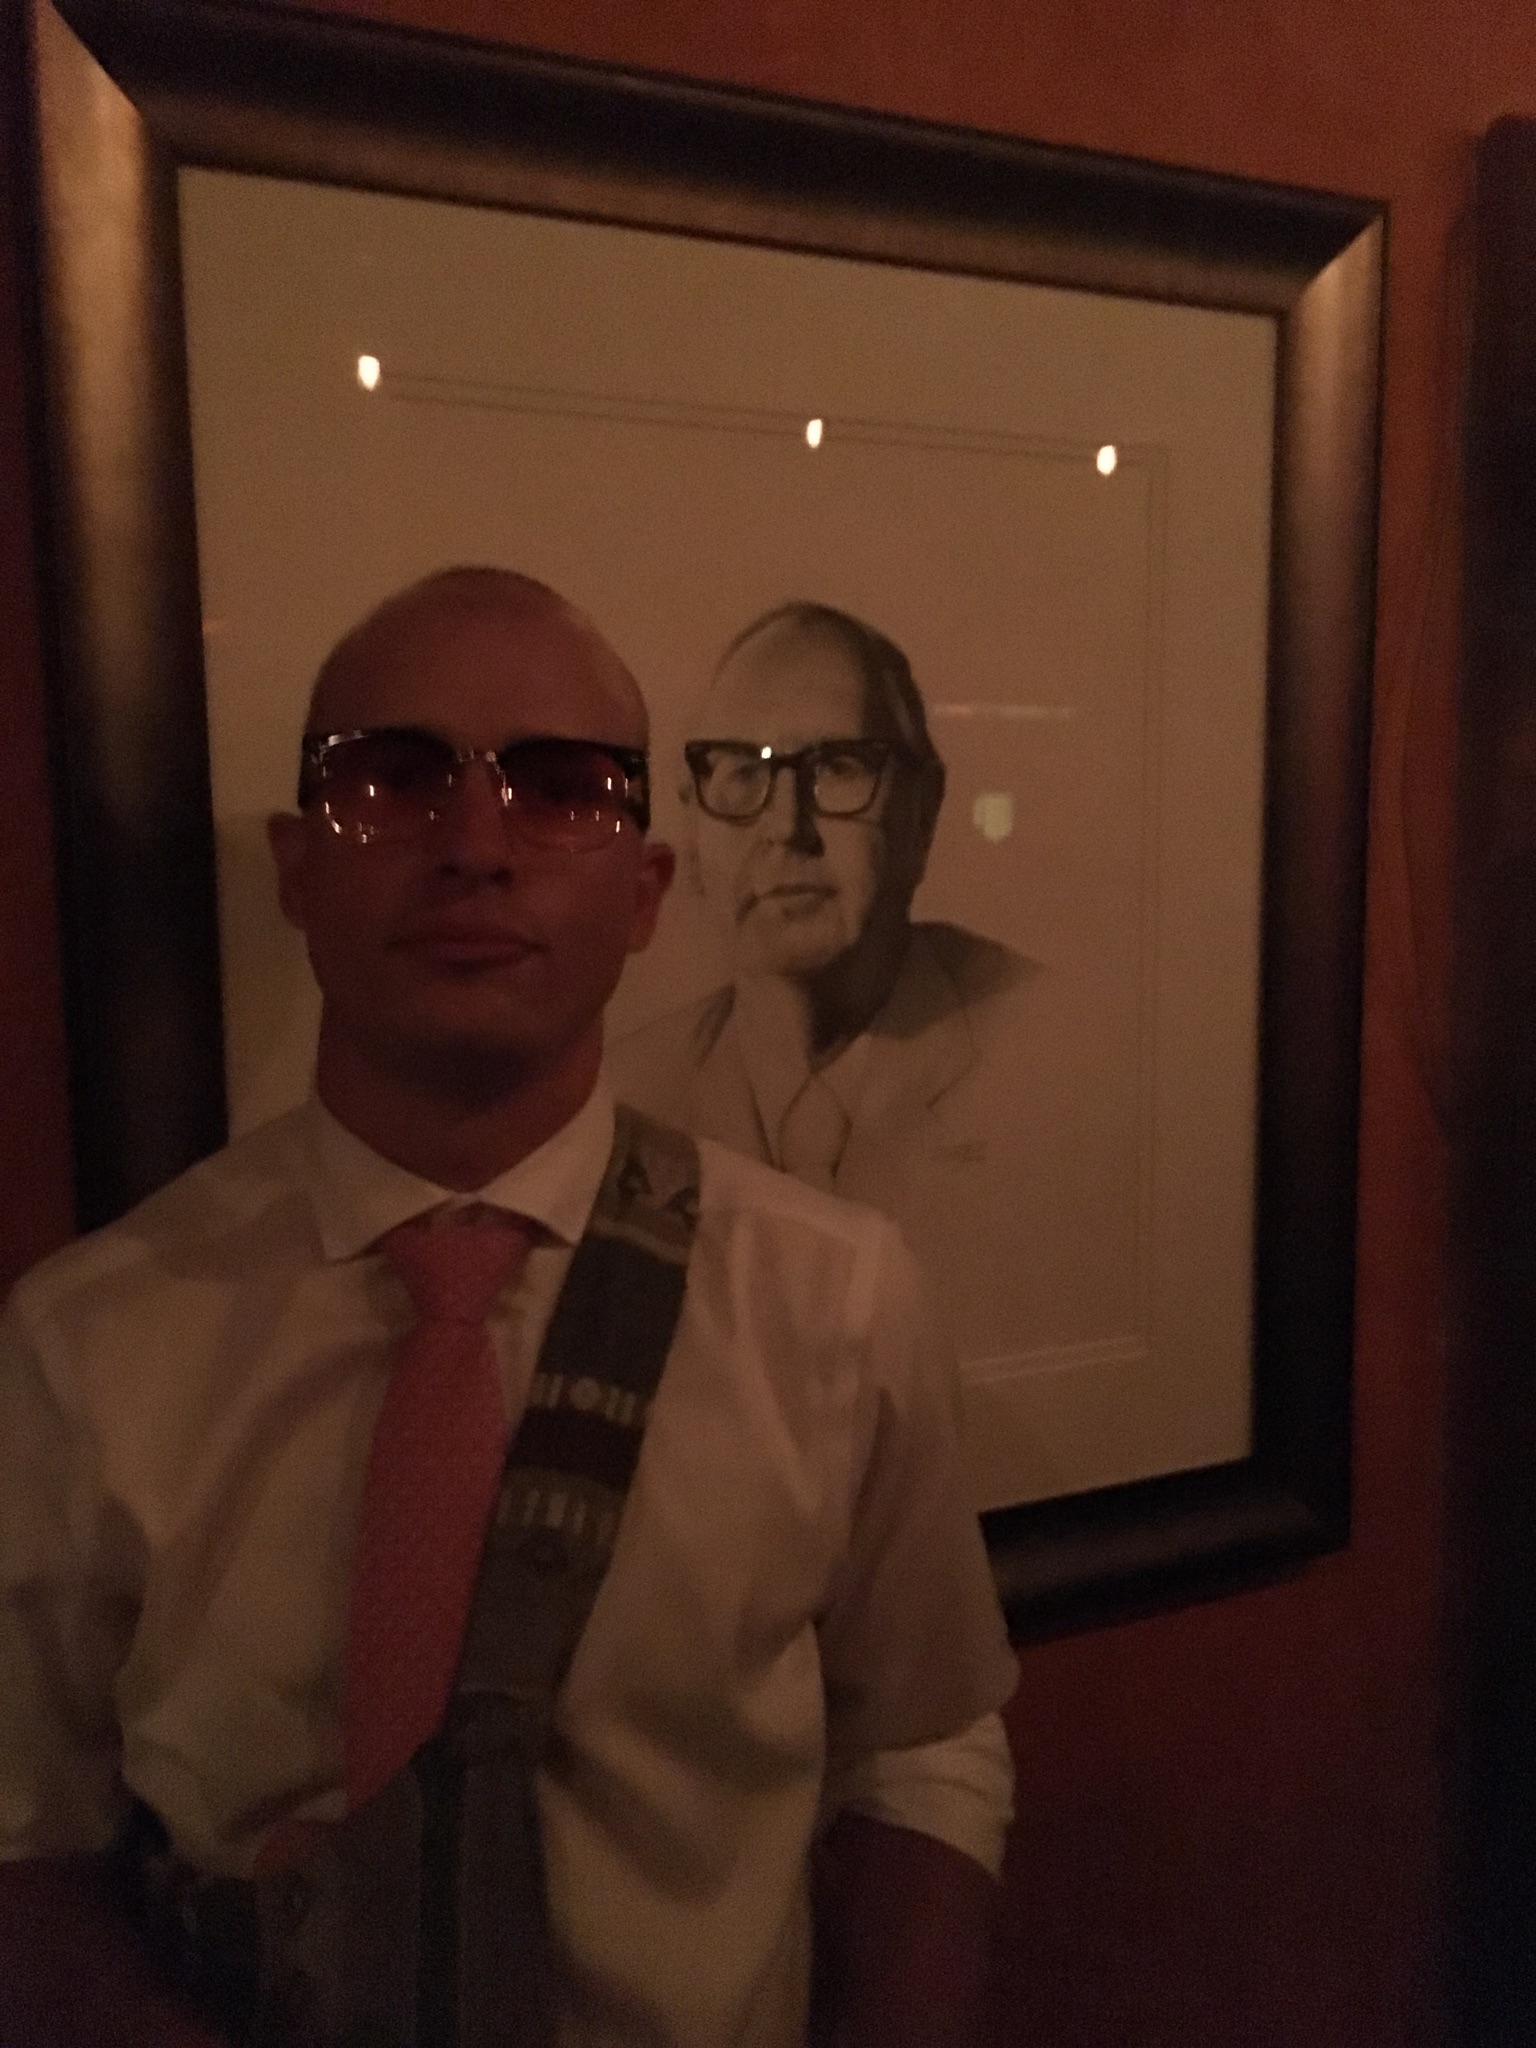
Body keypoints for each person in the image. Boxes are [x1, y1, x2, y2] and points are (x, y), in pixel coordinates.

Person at [0, 568, 1017, 2047]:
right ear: (297, 866)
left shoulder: (834, 1300)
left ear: (646, 893)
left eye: (559, 788)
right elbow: (27, 1832)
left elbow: (923, 1743)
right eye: (393, 779)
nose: (475, 846)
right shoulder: (85, 1346)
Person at [606, 602, 1065, 1374]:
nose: (788, 825)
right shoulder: (620, 1105)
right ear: (691, 831)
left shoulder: (1048, 1048)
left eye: (839, 768)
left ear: (922, 813)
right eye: (743, 774)